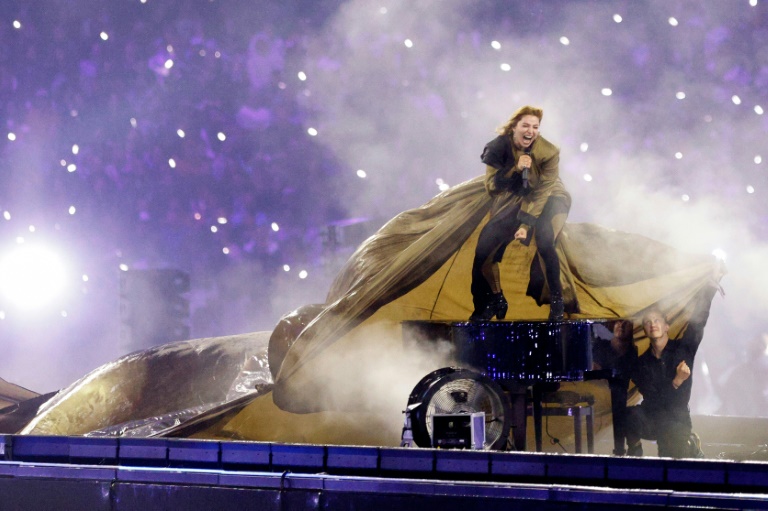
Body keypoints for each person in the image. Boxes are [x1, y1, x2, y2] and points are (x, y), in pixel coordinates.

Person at [470, 106, 571, 321]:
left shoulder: (549, 152)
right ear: (513, 127)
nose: (531, 131)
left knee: (544, 238)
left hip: (551, 196)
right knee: (484, 249)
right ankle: (494, 298)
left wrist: (525, 225)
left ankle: (557, 301)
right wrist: (516, 168)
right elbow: (492, 187)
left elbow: (542, 193)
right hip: (520, 199)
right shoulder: (498, 147)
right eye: (525, 125)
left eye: (535, 127)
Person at [625, 282, 721, 458]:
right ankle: (634, 453)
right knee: (630, 414)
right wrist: (676, 382)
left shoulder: (683, 350)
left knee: (671, 463)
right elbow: (655, 400)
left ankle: (689, 445)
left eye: (656, 320)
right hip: (652, 419)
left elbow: (697, 323)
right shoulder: (641, 363)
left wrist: (710, 286)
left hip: (677, 421)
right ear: (645, 329)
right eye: (647, 322)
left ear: (666, 326)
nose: (652, 324)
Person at [592, 320, 637, 455]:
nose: (621, 326)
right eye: (618, 322)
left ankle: (623, 449)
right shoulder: (600, 346)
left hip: (618, 399)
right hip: (597, 398)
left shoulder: (632, 354)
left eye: (626, 323)